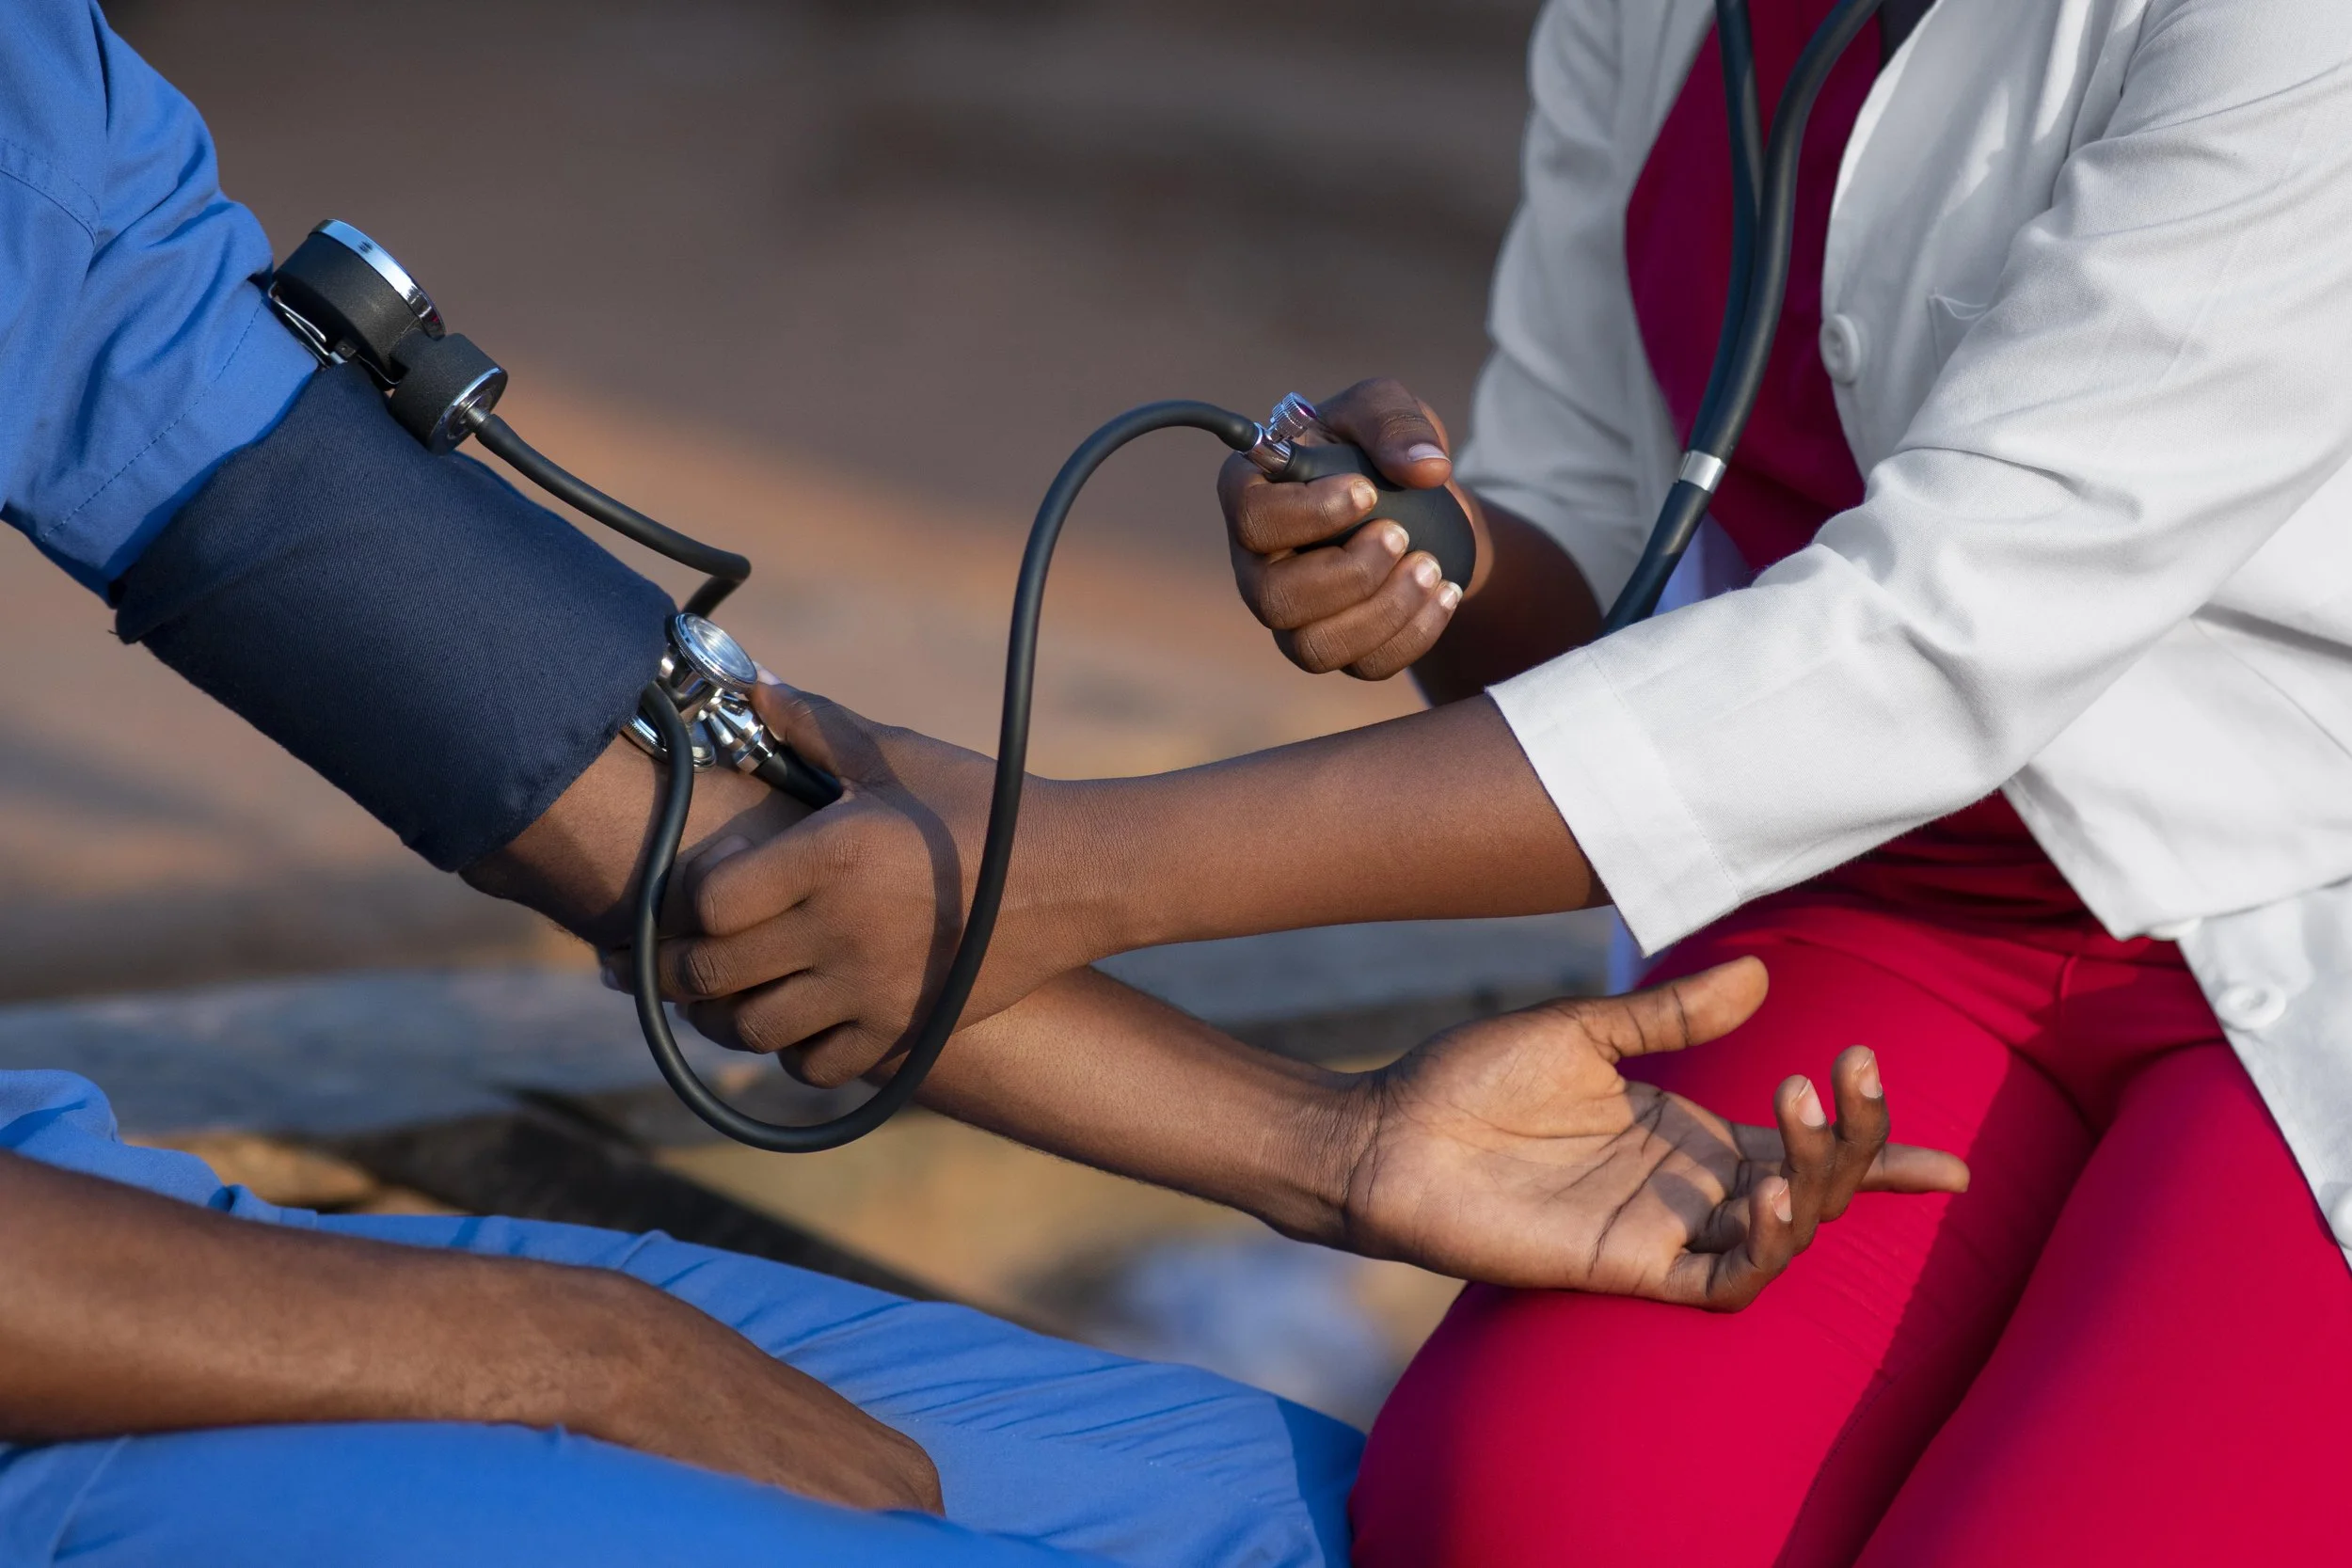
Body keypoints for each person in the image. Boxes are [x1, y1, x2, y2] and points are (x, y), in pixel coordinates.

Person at [0, 4, 1970, 1563]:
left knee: (1334, 1526)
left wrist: (1330, 1144)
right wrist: (570, 1355)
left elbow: (342, 568)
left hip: (79, 1237)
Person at [644, 0, 2352, 1562]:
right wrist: (1430, 554)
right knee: (1542, 1514)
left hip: (2303, 908)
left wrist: (1061, 871)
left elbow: (1936, 640)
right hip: (1876, 904)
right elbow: (1609, 596)